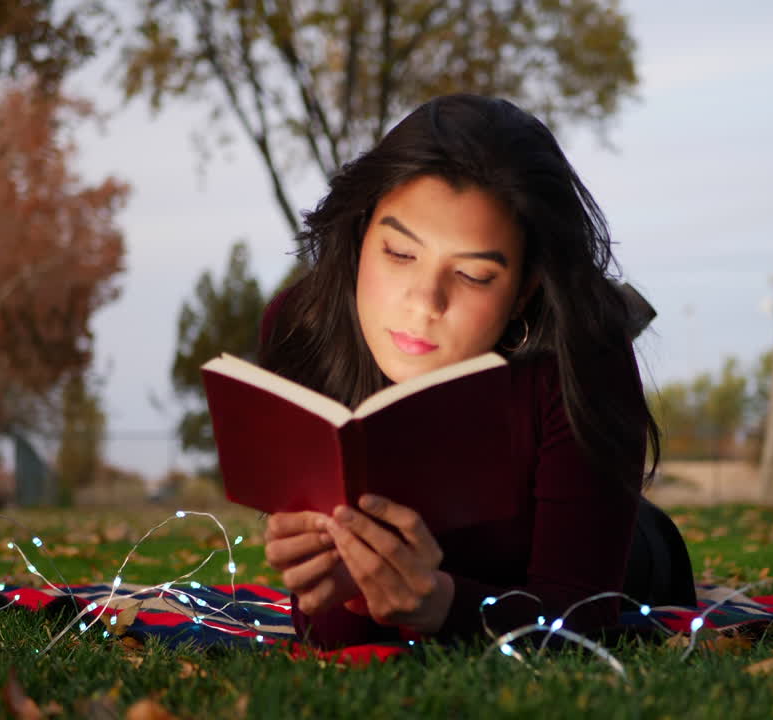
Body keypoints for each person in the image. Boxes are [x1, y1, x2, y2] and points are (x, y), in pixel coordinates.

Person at [258, 94, 694, 649]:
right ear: (361, 233)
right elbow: (333, 632)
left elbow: (579, 621)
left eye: (472, 274)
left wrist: (439, 604)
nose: (425, 301)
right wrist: (348, 589)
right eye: (399, 253)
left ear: (523, 290)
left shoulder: (585, 350)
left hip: (615, 561)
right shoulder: (304, 328)